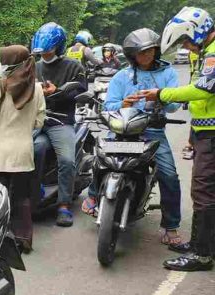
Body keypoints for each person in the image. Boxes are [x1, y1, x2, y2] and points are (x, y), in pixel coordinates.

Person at [81, 28, 188, 251]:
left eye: (150, 50)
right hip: (121, 130)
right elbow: (109, 106)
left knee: (169, 174)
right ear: (132, 55)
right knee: (99, 158)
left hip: (152, 130)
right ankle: (93, 195)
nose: (147, 55)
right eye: (141, 52)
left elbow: (175, 104)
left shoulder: (167, 73)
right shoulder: (121, 76)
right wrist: (125, 104)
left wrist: (159, 95)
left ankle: (171, 226)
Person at [140, 7, 215, 271]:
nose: (186, 46)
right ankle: (201, 243)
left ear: (197, 32)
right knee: (205, 190)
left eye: (185, 40)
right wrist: (194, 135)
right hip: (205, 132)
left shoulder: (214, 53)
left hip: (213, 135)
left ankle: (202, 254)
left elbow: (203, 92)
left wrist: (162, 94)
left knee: (203, 192)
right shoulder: (206, 52)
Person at [0, 45, 45, 253]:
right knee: (21, 199)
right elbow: (38, 122)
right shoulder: (37, 88)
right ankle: (23, 239)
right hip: (23, 154)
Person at [31, 22, 88, 227]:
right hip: (37, 121)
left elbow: (81, 91)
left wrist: (57, 91)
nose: (45, 54)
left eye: (49, 49)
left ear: (58, 46)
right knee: (32, 151)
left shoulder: (74, 66)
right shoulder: (34, 67)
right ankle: (33, 194)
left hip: (61, 121)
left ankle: (64, 204)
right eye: (42, 50)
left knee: (66, 160)